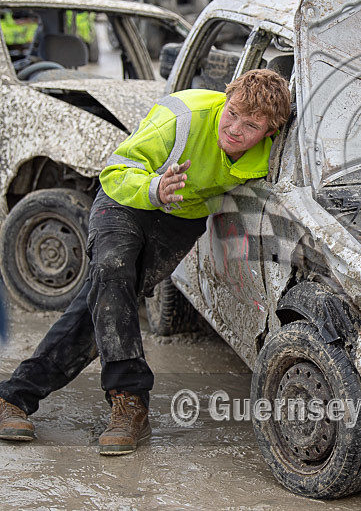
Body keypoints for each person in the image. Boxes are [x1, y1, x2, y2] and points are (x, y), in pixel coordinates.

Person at [0, 69, 291, 454]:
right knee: (112, 271)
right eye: (232, 113)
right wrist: (154, 188)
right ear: (225, 100)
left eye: (251, 125)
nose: (235, 129)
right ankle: (130, 399)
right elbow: (115, 172)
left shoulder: (274, 156)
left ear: (271, 131)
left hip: (180, 218)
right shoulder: (181, 119)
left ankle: (14, 396)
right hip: (127, 200)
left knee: (106, 303)